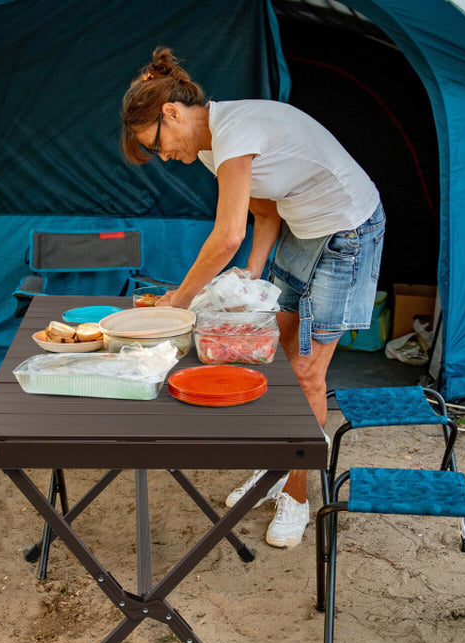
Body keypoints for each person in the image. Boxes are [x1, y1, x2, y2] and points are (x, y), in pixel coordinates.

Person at [121, 47, 385, 549]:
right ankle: (278, 470)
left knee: (308, 374)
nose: (162, 157)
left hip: (349, 231)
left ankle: (299, 495)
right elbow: (266, 214)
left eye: (154, 143)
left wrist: (179, 300)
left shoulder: (235, 130)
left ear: (171, 113)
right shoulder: (207, 150)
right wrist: (251, 279)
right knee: (280, 365)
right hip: (302, 230)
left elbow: (226, 236)